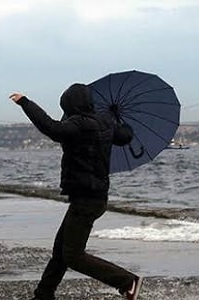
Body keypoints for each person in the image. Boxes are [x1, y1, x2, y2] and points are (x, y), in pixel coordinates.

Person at [9, 83, 142, 300]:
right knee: (61, 250)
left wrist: (25, 102)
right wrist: (118, 120)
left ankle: (127, 281)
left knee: (72, 255)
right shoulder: (105, 122)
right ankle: (43, 295)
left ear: (70, 105)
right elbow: (125, 136)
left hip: (86, 199)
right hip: (95, 197)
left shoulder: (79, 125)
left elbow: (50, 127)